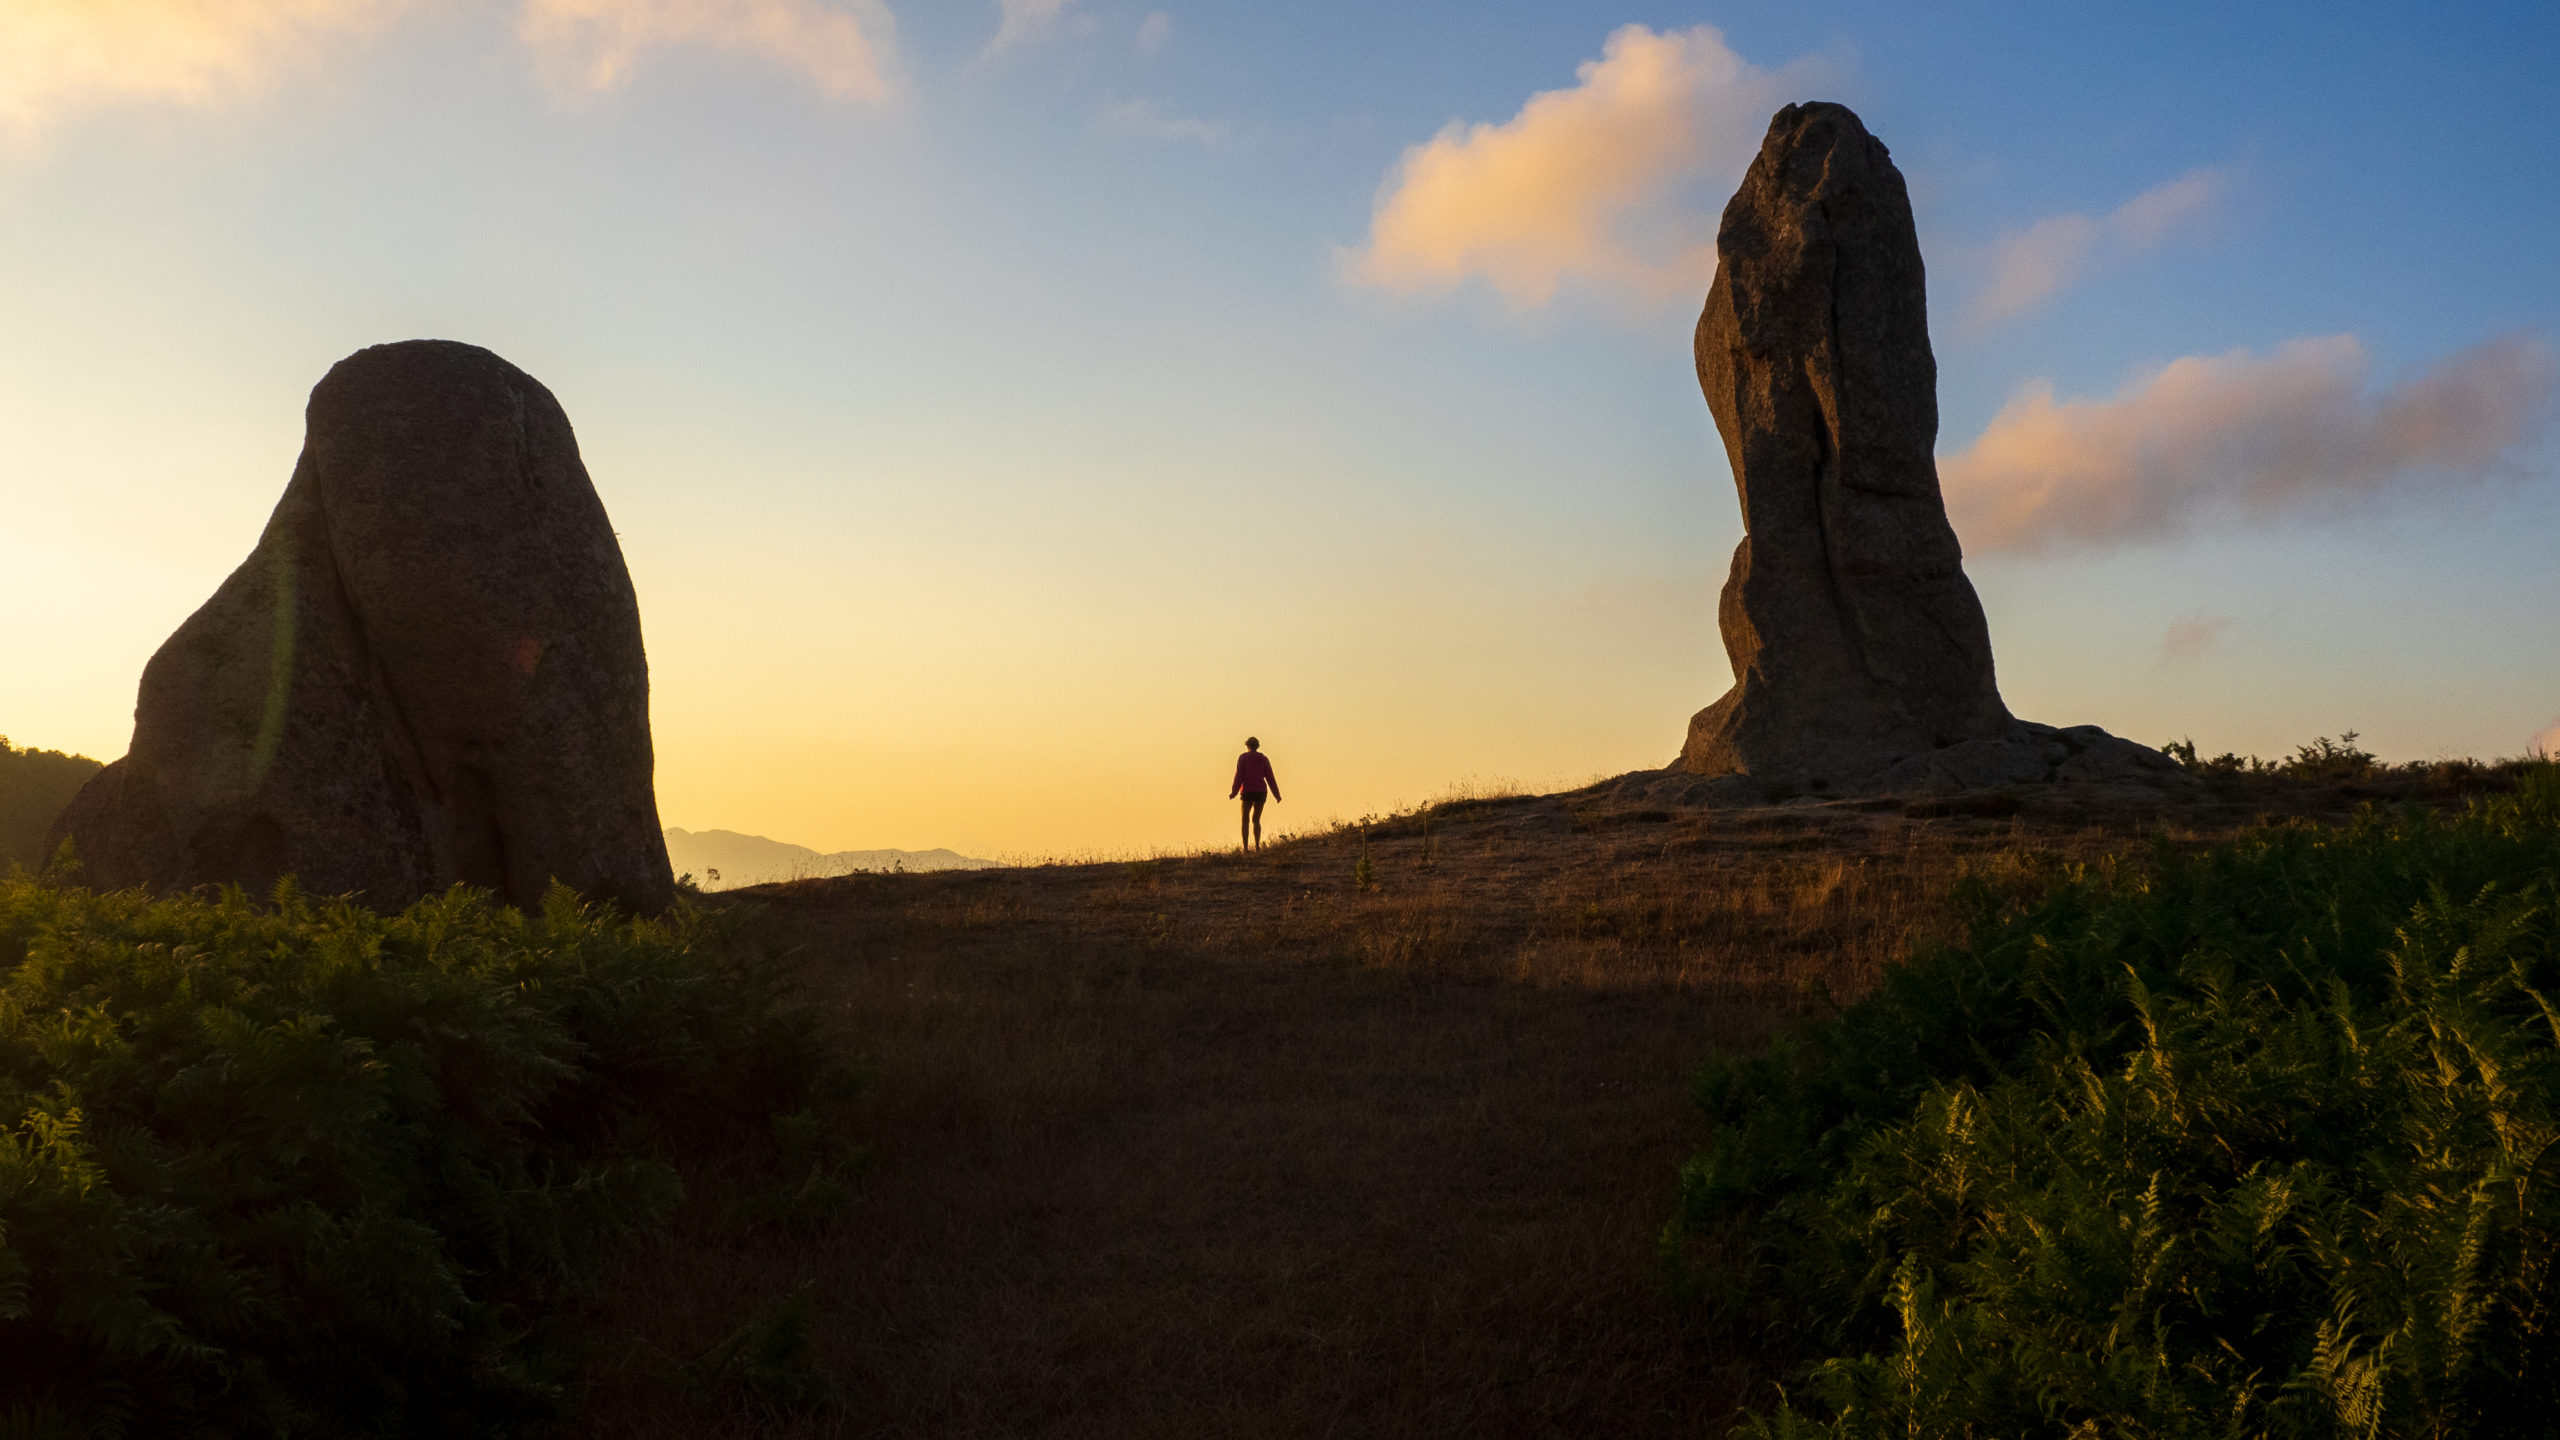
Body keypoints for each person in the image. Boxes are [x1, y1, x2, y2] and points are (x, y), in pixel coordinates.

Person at [1229, 736, 1280, 850]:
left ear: (1247, 745)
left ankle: (1246, 848)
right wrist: (1277, 795)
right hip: (1261, 792)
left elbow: (1238, 776)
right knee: (1256, 820)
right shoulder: (1264, 759)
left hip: (1247, 791)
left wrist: (1234, 792)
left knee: (1245, 819)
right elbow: (1270, 778)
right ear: (1257, 746)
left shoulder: (1243, 758)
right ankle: (1257, 846)